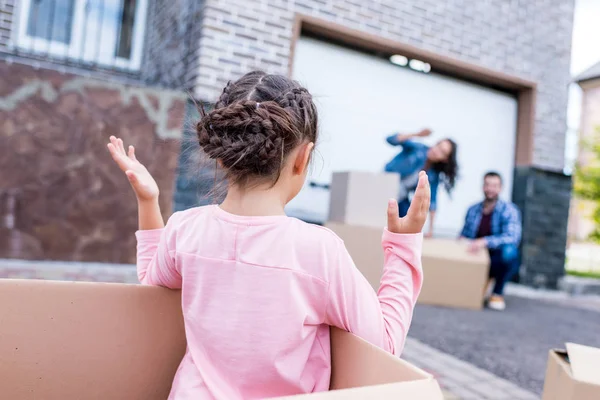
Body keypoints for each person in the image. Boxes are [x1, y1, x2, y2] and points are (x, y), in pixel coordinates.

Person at [107, 71, 430, 399]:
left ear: (220, 153)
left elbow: (150, 285)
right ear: (303, 157)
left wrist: (148, 201)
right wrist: (403, 247)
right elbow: (386, 343)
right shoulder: (319, 251)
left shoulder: (184, 229)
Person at [460, 172, 522, 311]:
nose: (490, 189)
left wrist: (485, 241)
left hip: (496, 255)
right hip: (476, 254)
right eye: (487, 185)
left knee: (510, 252)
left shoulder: (509, 210)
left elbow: (513, 237)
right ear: (483, 187)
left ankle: (497, 292)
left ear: (500, 188)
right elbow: (464, 234)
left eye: (494, 186)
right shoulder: (473, 209)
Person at [384, 129, 458, 237]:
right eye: (438, 146)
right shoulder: (417, 148)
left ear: (445, 159)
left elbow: (432, 201)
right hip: (385, 184)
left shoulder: (433, 174)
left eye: (442, 152)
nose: (437, 151)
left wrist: (431, 230)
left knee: (408, 217)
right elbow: (391, 139)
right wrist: (417, 134)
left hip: (399, 197)